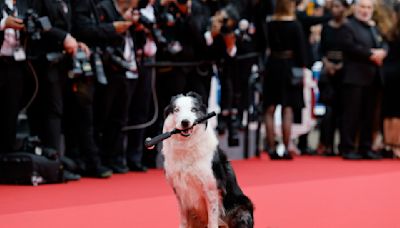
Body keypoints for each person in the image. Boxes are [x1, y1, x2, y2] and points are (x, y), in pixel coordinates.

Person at [339, 0, 387, 160]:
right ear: (355, 8)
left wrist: (382, 52)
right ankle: (347, 147)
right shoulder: (348, 26)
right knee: (351, 114)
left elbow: (384, 43)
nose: (365, 10)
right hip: (355, 77)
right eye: (362, 7)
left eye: (368, 7)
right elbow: (349, 46)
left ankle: (366, 147)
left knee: (370, 115)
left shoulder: (373, 27)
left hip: (373, 77)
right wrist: (370, 54)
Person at [263, 0, 307, 160]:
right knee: (287, 108)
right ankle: (286, 148)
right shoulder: (295, 25)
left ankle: (271, 147)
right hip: (289, 66)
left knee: (269, 108)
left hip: (272, 66)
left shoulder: (269, 24)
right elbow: (302, 52)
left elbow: (264, 45)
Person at [316, 0, 350, 156]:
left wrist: (342, 65)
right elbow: (321, 50)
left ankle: (344, 145)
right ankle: (326, 144)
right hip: (328, 74)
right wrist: (327, 64)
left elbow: (352, 49)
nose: (335, 10)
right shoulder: (326, 27)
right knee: (328, 111)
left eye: (338, 7)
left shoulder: (349, 27)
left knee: (345, 110)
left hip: (345, 73)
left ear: (344, 8)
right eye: (333, 7)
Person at [0, 0, 30, 153]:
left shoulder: (24, 5)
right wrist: (4, 23)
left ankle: (7, 160)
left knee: (11, 113)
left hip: (16, 65)